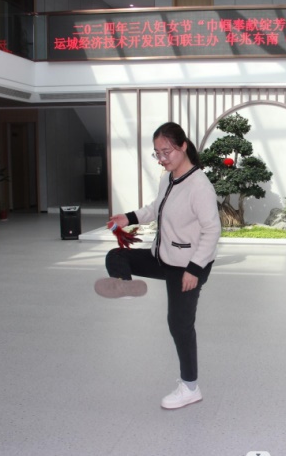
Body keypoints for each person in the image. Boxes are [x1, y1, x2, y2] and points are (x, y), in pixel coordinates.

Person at [94, 122, 221, 410]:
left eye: (167, 152)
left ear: (183, 146)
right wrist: (127, 218)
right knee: (116, 257)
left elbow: (212, 230)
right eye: (157, 153)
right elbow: (155, 208)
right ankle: (126, 288)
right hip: (162, 256)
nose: (162, 159)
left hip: (187, 266)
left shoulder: (199, 186)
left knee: (179, 324)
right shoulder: (168, 179)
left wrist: (194, 270)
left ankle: (190, 388)